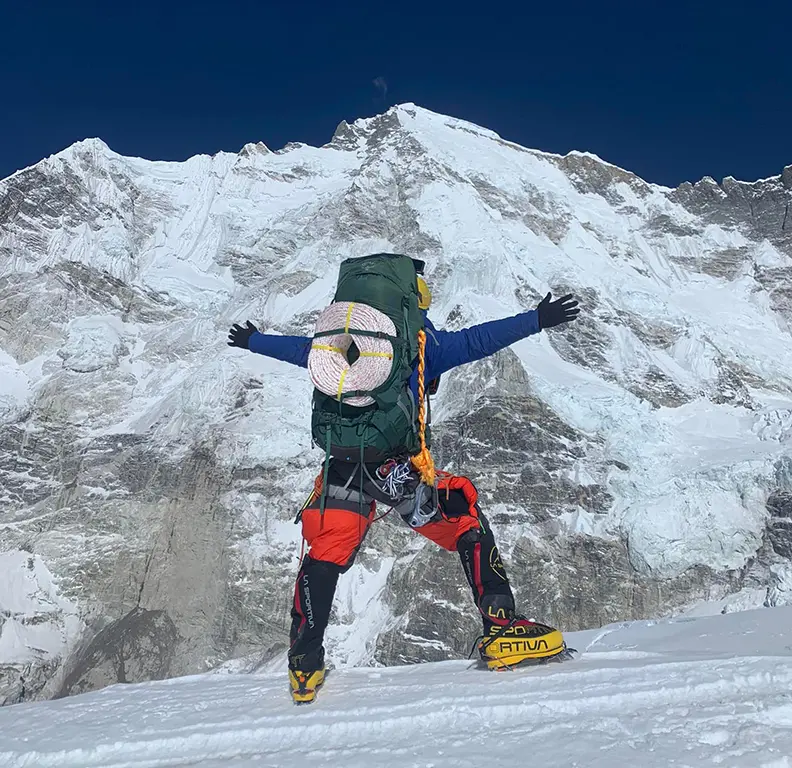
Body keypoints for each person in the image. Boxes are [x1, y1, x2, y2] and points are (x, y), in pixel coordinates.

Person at [228, 258, 580, 702]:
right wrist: (537, 319)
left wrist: (253, 340)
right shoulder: (421, 343)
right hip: (396, 469)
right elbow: (480, 340)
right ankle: (501, 625)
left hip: (342, 465)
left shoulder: (338, 342)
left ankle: (304, 663)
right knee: (463, 516)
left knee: (327, 553)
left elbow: (301, 351)